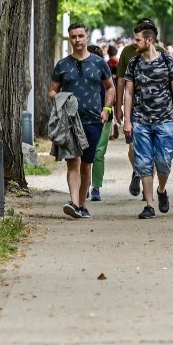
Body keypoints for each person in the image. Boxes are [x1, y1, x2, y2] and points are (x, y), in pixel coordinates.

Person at [49, 24, 115, 219]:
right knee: (73, 162)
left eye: (80, 36)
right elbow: (52, 90)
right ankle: (74, 203)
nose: (77, 40)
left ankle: (82, 204)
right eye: (73, 37)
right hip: (69, 121)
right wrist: (61, 98)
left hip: (93, 119)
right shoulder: (62, 65)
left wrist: (107, 109)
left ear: (87, 38)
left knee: (86, 164)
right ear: (70, 39)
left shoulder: (99, 63)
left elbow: (110, 87)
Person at [123, 22, 173, 219]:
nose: (135, 43)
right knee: (143, 162)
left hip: (164, 120)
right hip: (141, 120)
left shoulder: (167, 61)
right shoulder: (133, 63)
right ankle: (149, 205)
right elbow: (128, 93)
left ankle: (161, 190)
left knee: (164, 162)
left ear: (149, 40)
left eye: (138, 39)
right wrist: (127, 120)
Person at [115, 18, 167, 197]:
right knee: (133, 148)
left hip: (158, 112)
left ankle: (148, 187)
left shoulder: (162, 53)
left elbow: (170, 85)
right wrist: (118, 105)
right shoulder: (128, 52)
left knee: (154, 153)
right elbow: (121, 80)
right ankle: (138, 171)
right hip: (136, 109)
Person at [87, 45, 113, 202]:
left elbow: (113, 92)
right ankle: (84, 185)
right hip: (84, 117)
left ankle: (96, 186)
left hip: (104, 117)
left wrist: (110, 112)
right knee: (83, 154)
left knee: (98, 153)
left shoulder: (106, 73)